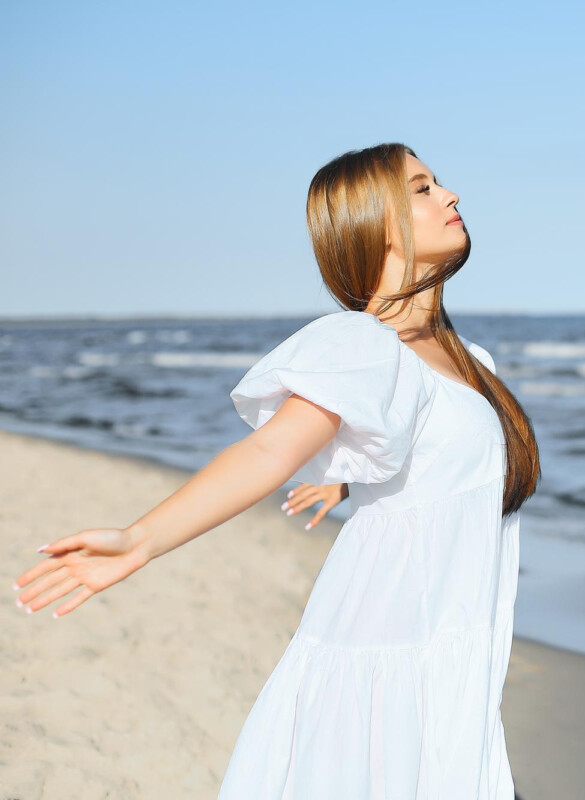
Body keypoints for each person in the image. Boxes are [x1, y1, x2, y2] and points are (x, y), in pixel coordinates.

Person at [12, 143, 542, 799]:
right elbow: (269, 452)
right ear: (374, 225)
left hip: (449, 656)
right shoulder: (364, 345)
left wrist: (347, 476)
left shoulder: (467, 360)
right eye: (423, 189)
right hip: (388, 653)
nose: (452, 196)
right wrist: (139, 540)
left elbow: (439, 458)